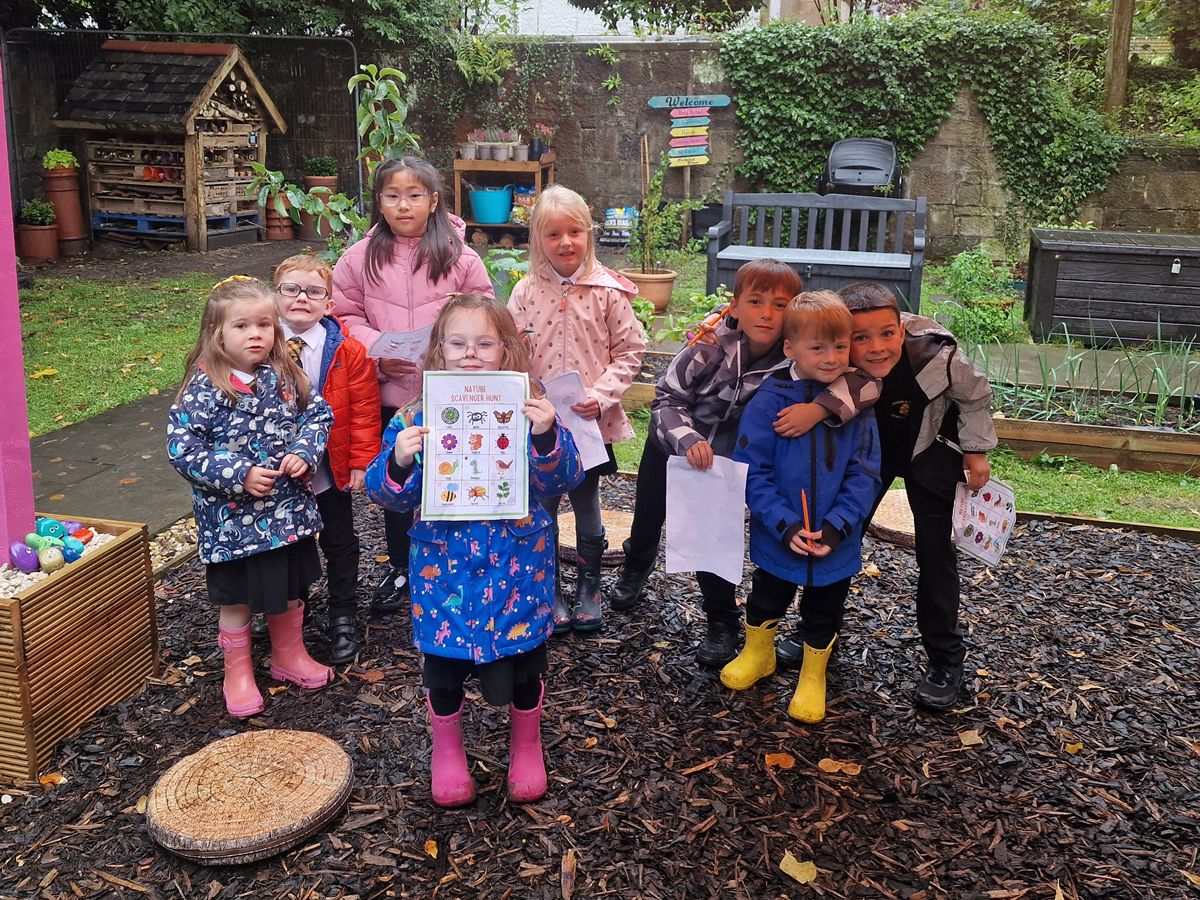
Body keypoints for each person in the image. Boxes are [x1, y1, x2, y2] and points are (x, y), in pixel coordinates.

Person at [365, 293, 584, 807]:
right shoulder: (415, 417)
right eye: (458, 343)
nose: (471, 353)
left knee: (528, 660)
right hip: (445, 572)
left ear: (507, 349)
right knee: (442, 669)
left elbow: (566, 476)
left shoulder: (531, 407)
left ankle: (526, 744)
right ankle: (448, 750)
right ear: (438, 351)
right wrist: (398, 459)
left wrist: (547, 435)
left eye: (485, 343)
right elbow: (385, 495)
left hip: (518, 567)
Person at [773, 282, 996, 711]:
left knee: (935, 554)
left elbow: (976, 396)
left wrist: (976, 448)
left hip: (928, 449)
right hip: (863, 459)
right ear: (844, 336)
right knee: (835, 538)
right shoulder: (830, 348)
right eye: (861, 338)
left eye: (887, 334)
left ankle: (946, 660)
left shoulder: (936, 355)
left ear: (901, 328)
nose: (876, 348)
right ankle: (817, 637)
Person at [609, 259, 804, 668]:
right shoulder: (708, 345)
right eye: (756, 301)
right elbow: (667, 397)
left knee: (712, 536)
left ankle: (721, 620)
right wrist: (687, 438)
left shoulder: (795, 361)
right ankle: (636, 565)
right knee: (648, 513)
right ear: (735, 306)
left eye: (781, 305)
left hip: (725, 463)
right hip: (673, 444)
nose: (767, 314)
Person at [167, 276, 335, 718]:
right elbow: (182, 448)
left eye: (264, 324)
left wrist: (304, 451)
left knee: (291, 587)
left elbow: (317, 414)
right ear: (216, 333)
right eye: (241, 326)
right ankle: (237, 673)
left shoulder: (284, 376)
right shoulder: (204, 388)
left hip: (288, 516)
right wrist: (237, 474)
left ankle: (288, 655)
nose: (256, 334)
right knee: (237, 599)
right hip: (232, 525)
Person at [333, 157, 493, 620]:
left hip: (452, 394)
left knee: (456, 474)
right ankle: (403, 567)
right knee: (400, 481)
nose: (404, 205)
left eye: (415, 195)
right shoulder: (359, 258)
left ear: (434, 200)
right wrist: (377, 347)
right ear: (379, 202)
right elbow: (343, 314)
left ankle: (457, 561)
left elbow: (483, 313)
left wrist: (452, 350)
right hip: (389, 391)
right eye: (392, 195)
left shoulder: (461, 257)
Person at [722, 291, 881, 724]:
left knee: (824, 609)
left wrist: (837, 527)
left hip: (836, 542)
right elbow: (752, 471)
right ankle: (759, 653)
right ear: (790, 348)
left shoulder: (856, 407)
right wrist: (784, 524)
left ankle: (814, 674)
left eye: (840, 347)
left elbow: (866, 473)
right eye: (818, 347)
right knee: (765, 597)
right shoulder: (769, 401)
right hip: (781, 535)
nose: (832, 358)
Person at [506, 185, 646, 632]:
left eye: (574, 231)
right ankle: (549, 586)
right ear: (538, 241)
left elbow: (630, 351)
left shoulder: (608, 292)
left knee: (586, 497)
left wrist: (603, 395)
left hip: (590, 421)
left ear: (589, 233)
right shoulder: (526, 291)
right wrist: (527, 392)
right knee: (543, 500)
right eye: (553, 234)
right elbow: (511, 349)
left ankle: (589, 585)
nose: (565, 242)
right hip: (541, 421)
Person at [273, 254, 381, 664]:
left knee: (338, 539)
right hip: (282, 469)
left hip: (329, 465)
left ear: (330, 303)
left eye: (314, 292)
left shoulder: (349, 351)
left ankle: (342, 613)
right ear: (275, 295)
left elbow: (365, 410)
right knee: (289, 541)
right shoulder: (263, 346)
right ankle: (289, 614)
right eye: (291, 289)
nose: (302, 298)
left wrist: (359, 461)